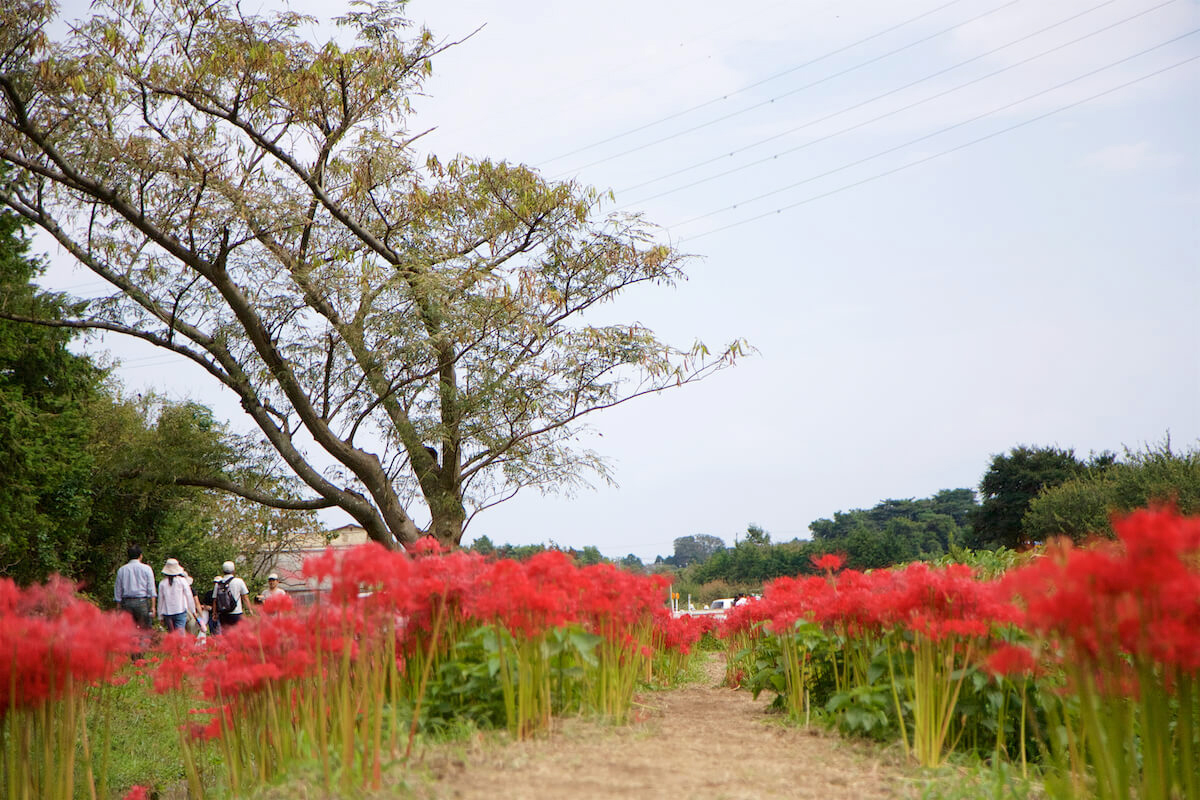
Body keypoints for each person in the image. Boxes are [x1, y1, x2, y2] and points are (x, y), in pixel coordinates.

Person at [114, 545, 157, 630]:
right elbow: (151, 588)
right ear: (140, 555)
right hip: (142, 602)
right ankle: (143, 643)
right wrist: (153, 606)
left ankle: (130, 643)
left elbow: (118, 589)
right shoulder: (147, 569)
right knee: (145, 629)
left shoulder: (122, 570)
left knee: (127, 630)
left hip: (126, 602)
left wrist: (118, 606)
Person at [157, 558, 197, 633]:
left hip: (167, 612)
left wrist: (160, 616)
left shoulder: (162, 583)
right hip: (180, 610)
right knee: (180, 634)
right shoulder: (182, 581)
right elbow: (189, 596)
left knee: (172, 634)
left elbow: (160, 600)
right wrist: (193, 610)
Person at [215, 560, 252, 629]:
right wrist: (250, 610)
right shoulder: (239, 581)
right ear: (233, 571)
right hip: (236, 612)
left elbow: (215, 599)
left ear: (223, 571)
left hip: (223, 614)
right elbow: (245, 597)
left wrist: (215, 613)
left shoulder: (218, 583)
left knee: (225, 635)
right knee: (237, 635)